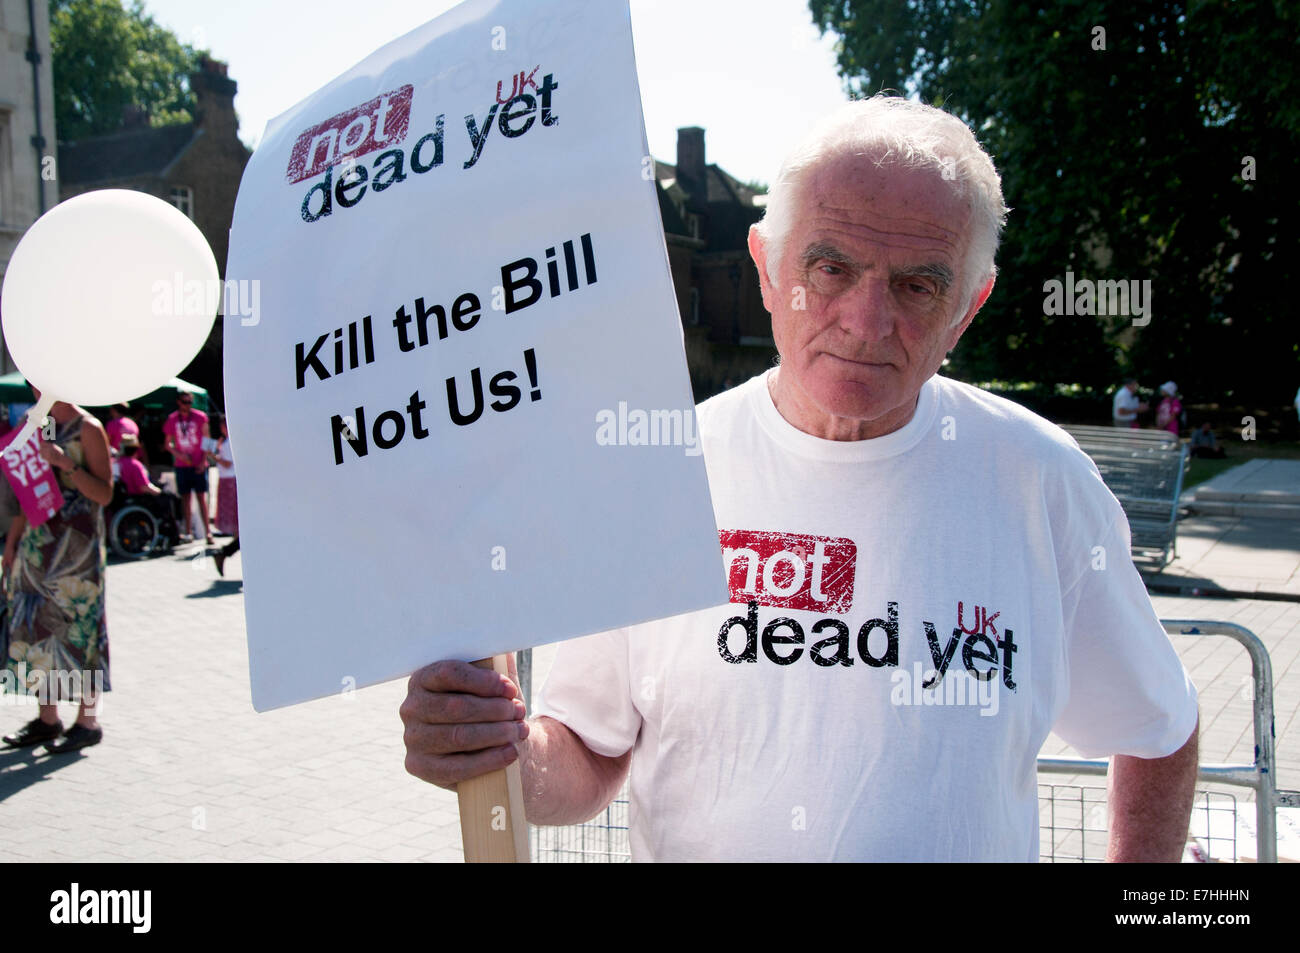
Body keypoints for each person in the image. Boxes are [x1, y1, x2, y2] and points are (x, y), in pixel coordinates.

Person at [400, 96, 1200, 862]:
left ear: (970, 304)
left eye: (919, 284)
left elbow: (1160, 726)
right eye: (829, 267)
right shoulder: (657, 477)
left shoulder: (1041, 483)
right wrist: (499, 749)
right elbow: (584, 751)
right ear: (765, 263)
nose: (866, 319)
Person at [1, 387, 113, 753]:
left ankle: (87, 720)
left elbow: (105, 494)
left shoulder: (89, 428)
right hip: (38, 548)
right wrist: (12, 544)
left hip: (77, 553)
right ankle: (47, 720)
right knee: (36, 629)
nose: (37, 387)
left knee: (82, 628)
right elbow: (25, 493)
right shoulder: (30, 425)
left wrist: (68, 465)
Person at [163, 392, 211, 544]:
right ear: (178, 402)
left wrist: (203, 461)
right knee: (185, 499)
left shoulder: (200, 416)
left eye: (190, 402)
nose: (188, 405)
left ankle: (208, 532)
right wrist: (179, 455)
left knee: (201, 498)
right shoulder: (172, 419)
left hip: (199, 463)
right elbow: (168, 444)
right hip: (182, 465)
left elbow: (207, 440)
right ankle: (188, 532)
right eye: (185, 402)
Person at [117, 433, 182, 528]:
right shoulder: (135, 465)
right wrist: (160, 492)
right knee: (169, 497)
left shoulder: (118, 463)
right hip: (138, 498)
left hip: (124, 498)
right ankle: (173, 528)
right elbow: (144, 487)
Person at [207, 413, 239, 576]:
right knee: (241, 526)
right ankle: (224, 552)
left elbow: (227, 463)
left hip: (231, 481)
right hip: (231, 481)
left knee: (240, 526)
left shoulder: (229, 442)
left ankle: (224, 552)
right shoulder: (228, 442)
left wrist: (214, 456)